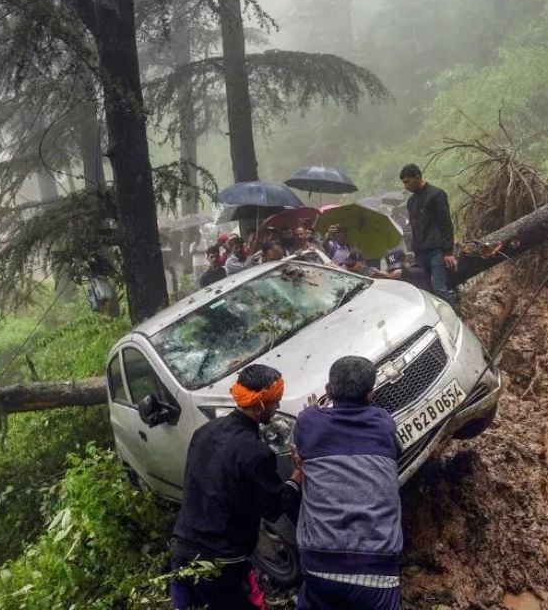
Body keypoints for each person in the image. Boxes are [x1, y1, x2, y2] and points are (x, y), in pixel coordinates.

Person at [169, 364, 303, 610]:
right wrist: (296, 476)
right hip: (221, 562)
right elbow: (276, 507)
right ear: (260, 406)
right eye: (275, 402)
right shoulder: (254, 452)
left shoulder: (204, 432)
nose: (278, 407)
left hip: (181, 550)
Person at [295, 357, 402, 610]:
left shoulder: (308, 422)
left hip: (318, 565)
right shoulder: (383, 422)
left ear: (329, 391)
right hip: (376, 572)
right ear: (370, 394)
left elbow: (306, 434)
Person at [400, 163, 456, 305]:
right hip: (420, 253)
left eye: (407, 181)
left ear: (418, 177)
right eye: (403, 182)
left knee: (439, 289)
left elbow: (446, 223)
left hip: (436, 250)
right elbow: (414, 228)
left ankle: (457, 317)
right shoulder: (411, 201)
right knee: (424, 290)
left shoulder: (436, 195)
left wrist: (448, 251)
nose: (405, 186)